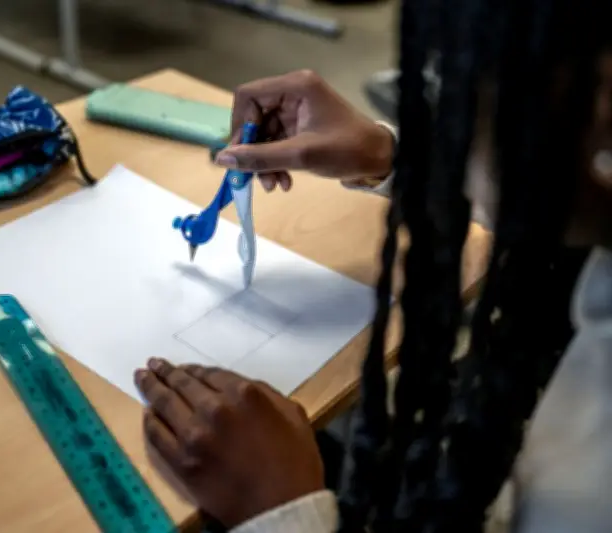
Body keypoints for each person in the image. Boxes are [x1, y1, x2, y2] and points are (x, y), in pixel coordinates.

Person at [134, 0, 611, 531]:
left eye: (456, 89)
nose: (446, 114)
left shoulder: (590, 487)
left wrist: (284, 510)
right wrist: (385, 154)